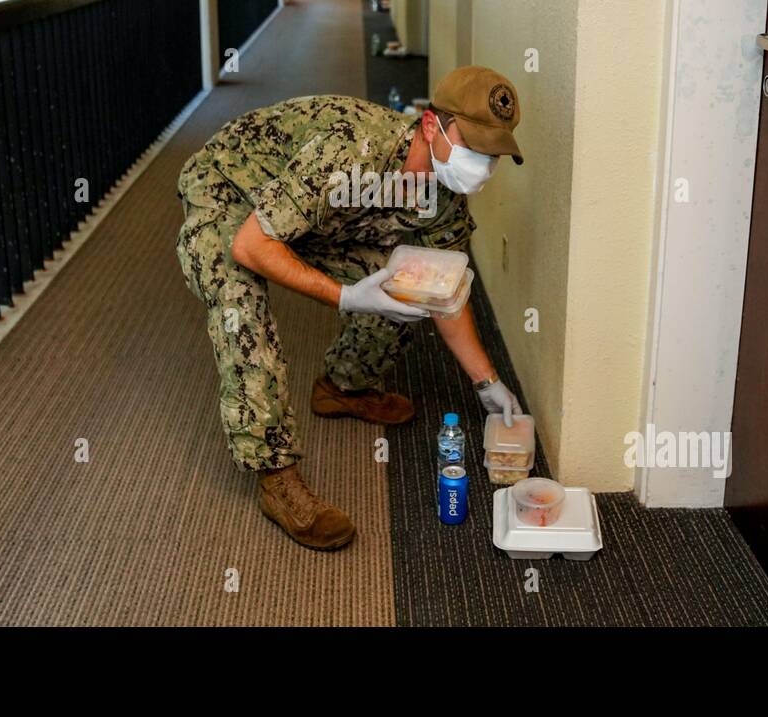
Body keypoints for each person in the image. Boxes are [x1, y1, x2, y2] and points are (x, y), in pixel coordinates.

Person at [176, 66, 525, 550]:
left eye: (494, 154)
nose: (483, 164)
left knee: (411, 278)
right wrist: (345, 295)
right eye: (473, 146)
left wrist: (487, 381)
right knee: (238, 301)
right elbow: (252, 245)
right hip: (234, 192)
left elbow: (444, 287)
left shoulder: (445, 196)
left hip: (313, 217)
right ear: (431, 126)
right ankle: (275, 473)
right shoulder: (350, 149)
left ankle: (344, 385)